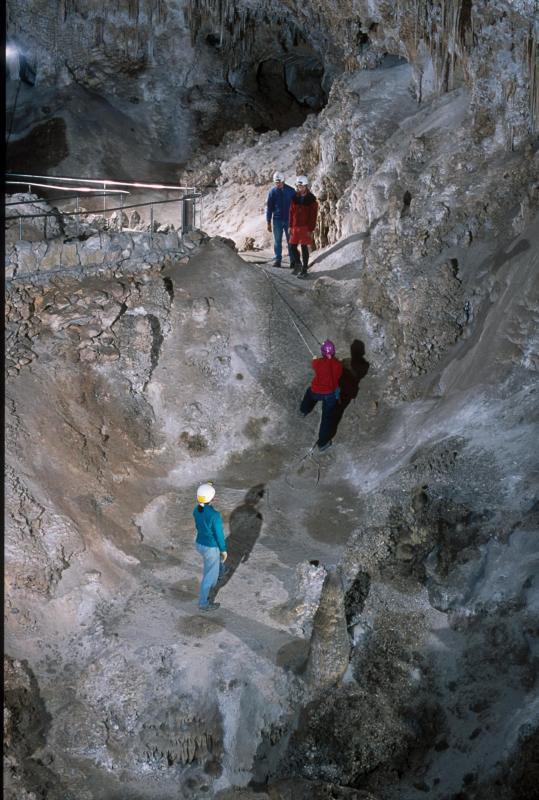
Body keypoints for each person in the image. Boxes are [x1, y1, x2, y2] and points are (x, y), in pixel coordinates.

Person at [300, 340, 343, 451]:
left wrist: (315, 359)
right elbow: (337, 374)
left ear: (322, 353)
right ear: (333, 352)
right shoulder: (338, 365)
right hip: (330, 395)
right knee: (327, 418)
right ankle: (322, 443)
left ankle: (303, 411)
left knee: (309, 394)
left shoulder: (318, 363)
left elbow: (313, 364)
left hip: (316, 392)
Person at [193, 482, 228, 611]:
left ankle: (221, 570)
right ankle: (203, 604)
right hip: (210, 548)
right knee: (209, 578)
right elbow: (219, 535)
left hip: (199, 543)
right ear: (212, 498)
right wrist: (223, 550)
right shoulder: (214, 515)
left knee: (214, 563)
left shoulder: (196, 510)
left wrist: (205, 488)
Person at [289, 176, 318, 278]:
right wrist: (290, 226)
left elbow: (313, 216)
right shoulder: (294, 198)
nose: (300, 188)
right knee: (292, 246)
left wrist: (310, 229)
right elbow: (291, 213)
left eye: (301, 186)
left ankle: (304, 269)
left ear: (306, 186)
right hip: (295, 226)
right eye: (298, 186)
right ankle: (298, 264)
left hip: (305, 227)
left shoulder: (311, 199)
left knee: (304, 247)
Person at [266, 171, 296, 268]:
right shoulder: (272, 192)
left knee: (290, 241)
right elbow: (269, 208)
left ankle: (293, 260)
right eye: (276, 183)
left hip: (289, 220)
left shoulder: (291, 191)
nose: (278, 184)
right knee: (277, 241)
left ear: (283, 181)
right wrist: (268, 222)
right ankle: (278, 260)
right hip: (277, 220)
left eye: (279, 182)